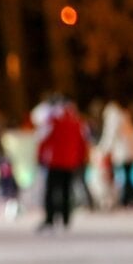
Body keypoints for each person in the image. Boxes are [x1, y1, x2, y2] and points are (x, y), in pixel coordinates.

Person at [36, 99, 89, 231]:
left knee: (51, 191)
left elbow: (44, 140)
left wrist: (40, 156)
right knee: (66, 190)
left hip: (55, 161)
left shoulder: (54, 121)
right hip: (70, 162)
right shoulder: (78, 122)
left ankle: (50, 217)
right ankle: (66, 218)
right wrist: (81, 158)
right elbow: (83, 142)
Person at [97, 100, 133, 208]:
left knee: (124, 176)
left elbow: (111, 134)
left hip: (124, 152)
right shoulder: (124, 115)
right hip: (130, 151)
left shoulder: (113, 116)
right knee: (128, 176)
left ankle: (128, 198)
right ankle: (129, 198)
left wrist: (104, 149)